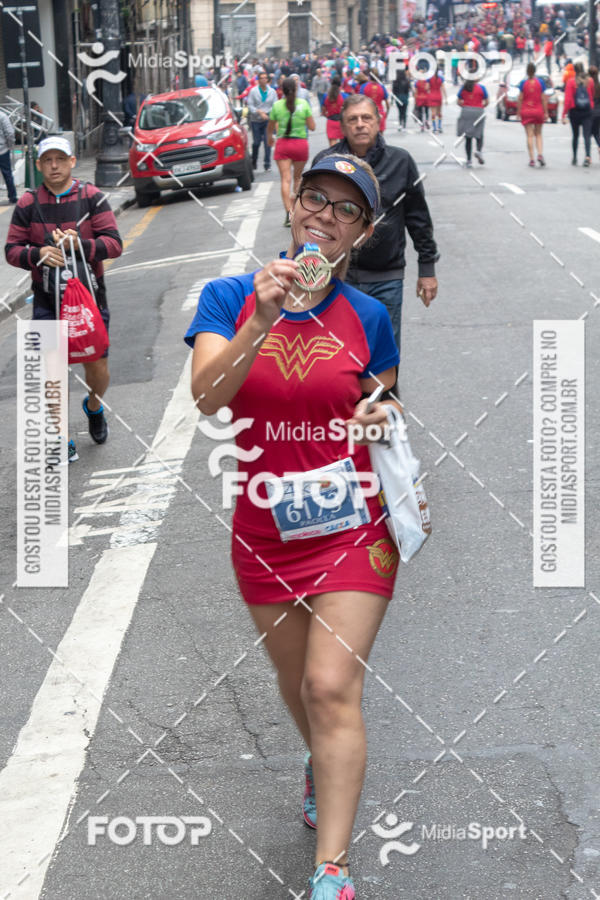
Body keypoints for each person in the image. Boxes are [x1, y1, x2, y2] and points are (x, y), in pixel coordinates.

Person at [186, 152, 401, 900]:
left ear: (362, 234)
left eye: (346, 211)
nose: (325, 217)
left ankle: (331, 872)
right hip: (266, 530)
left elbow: (385, 409)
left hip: (354, 526)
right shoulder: (225, 295)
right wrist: (264, 318)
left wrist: (381, 414)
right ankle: (322, 761)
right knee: (296, 685)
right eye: (316, 199)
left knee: (328, 685)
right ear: (292, 203)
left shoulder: (370, 317)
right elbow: (209, 398)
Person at [5, 136, 122, 461]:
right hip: (45, 300)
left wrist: (81, 246)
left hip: (89, 299)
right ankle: (61, 435)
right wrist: (37, 252)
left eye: (60, 159)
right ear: (39, 165)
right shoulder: (28, 203)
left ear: (72, 161)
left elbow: (113, 243)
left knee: (96, 363)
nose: (54, 166)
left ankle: (95, 405)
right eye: (47, 160)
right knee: (51, 368)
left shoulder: (91, 197)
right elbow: (11, 250)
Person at [313, 95, 439, 353]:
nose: (360, 124)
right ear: (343, 126)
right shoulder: (325, 164)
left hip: (386, 279)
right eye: (353, 119)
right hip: (336, 280)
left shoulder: (400, 162)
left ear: (378, 122)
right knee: (338, 358)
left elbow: (418, 218)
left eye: (366, 118)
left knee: (383, 359)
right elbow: (310, 223)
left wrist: (427, 270)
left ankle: (386, 395)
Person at [267, 76, 315, 226]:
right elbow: (312, 127)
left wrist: (270, 137)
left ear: (281, 90)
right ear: (296, 89)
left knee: (285, 180)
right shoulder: (304, 104)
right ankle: (298, 210)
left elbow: (270, 127)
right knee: (298, 178)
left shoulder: (277, 106)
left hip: (283, 145)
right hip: (300, 144)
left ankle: (288, 212)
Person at [562, 61, 595, 166]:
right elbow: (592, 94)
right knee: (586, 135)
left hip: (575, 111)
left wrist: (564, 114)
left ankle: (575, 157)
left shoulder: (571, 82)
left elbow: (567, 100)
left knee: (575, 135)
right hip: (587, 111)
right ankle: (587, 156)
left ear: (574, 70)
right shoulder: (589, 81)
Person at [517, 62, 548, 167]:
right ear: (535, 71)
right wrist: (546, 112)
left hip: (526, 111)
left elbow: (520, 98)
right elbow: (543, 98)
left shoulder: (523, 83)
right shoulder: (541, 83)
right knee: (538, 134)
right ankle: (540, 154)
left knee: (529, 135)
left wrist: (518, 112)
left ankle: (531, 159)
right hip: (538, 110)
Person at [247, 70, 278, 172]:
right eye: (261, 78)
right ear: (258, 80)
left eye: (265, 78)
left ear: (267, 80)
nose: (263, 80)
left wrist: (267, 114)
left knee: (267, 142)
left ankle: (267, 164)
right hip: (255, 120)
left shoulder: (272, 91)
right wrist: (259, 112)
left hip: (267, 120)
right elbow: (250, 105)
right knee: (256, 142)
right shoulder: (253, 91)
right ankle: (254, 160)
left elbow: (275, 105)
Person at [457, 77, 489, 167]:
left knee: (468, 137)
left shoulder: (464, 88)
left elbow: (458, 101)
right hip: (478, 111)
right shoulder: (482, 88)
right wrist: (481, 107)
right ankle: (478, 151)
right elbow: (487, 102)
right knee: (479, 133)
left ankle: (469, 160)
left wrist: (465, 106)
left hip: (466, 111)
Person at [322, 75, 347, 146]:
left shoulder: (325, 96)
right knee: (344, 144)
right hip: (342, 122)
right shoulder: (344, 96)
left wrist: (326, 115)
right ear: (340, 84)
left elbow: (323, 111)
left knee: (332, 145)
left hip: (331, 121)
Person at [0, 109, 17, 205]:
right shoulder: (2, 116)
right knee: (7, 174)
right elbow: (10, 133)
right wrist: (10, 145)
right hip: (2, 150)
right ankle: (12, 197)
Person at [427, 68, 446, 134]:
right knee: (439, 112)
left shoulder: (429, 78)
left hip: (431, 96)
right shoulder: (441, 78)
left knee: (433, 113)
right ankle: (439, 126)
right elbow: (443, 88)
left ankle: (434, 128)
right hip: (439, 96)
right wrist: (446, 98)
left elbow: (427, 88)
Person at [392, 66, 410, 131]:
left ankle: (400, 124)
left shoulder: (395, 82)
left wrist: (392, 100)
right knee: (404, 112)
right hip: (405, 98)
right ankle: (404, 125)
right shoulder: (407, 81)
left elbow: (393, 91)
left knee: (400, 112)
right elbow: (408, 91)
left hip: (398, 98)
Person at [590, 66, 600, 160]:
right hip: (598, 112)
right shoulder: (598, 85)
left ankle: (587, 155)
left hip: (590, 112)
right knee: (596, 131)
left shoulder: (589, 85)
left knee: (589, 133)